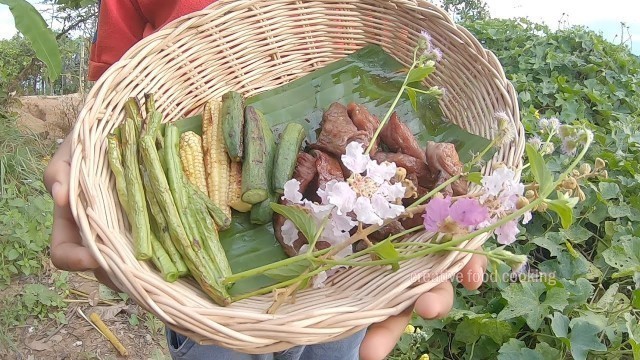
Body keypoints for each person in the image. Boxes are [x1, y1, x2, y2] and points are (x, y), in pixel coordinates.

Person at [44, 1, 487, 359]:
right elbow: (122, 89)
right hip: (211, 314)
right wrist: (88, 138)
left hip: (343, 290)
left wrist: (457, 209)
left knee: (335, 344)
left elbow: (391, 27)